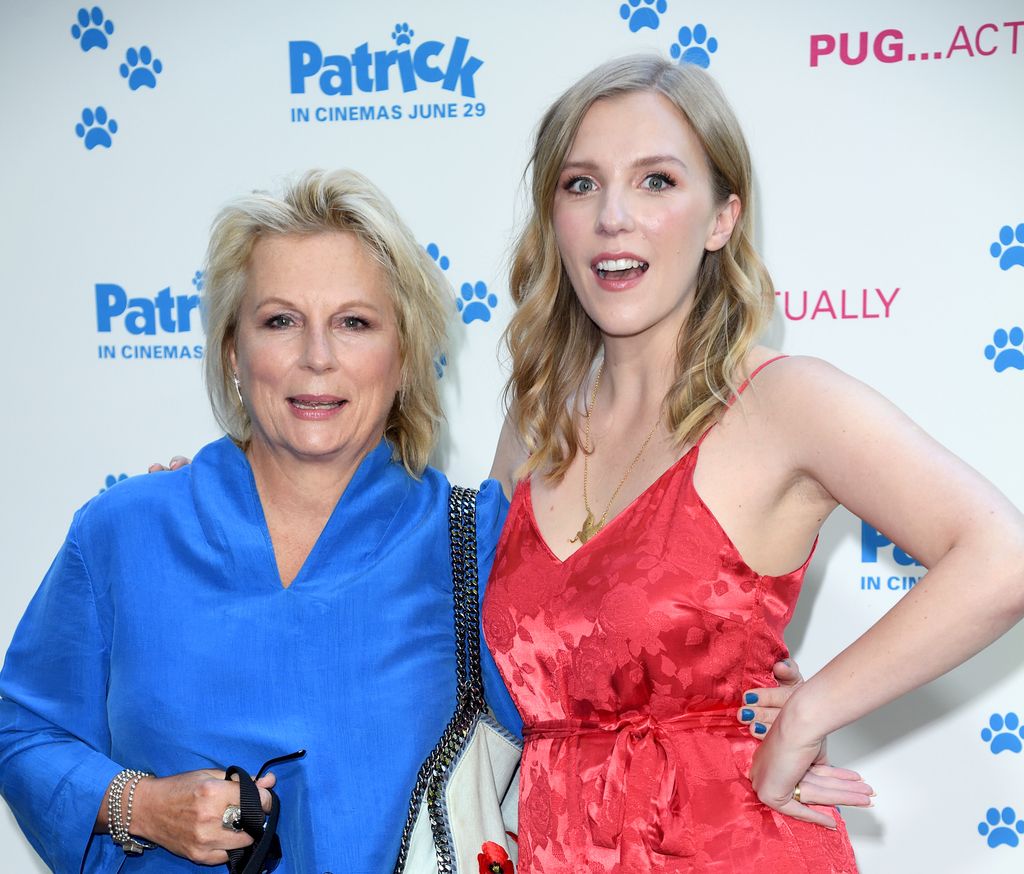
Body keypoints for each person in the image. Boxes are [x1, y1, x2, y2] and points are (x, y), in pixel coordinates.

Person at [0, 168, 839, 872]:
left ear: (405, 358)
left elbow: (608, 711)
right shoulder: (122, 531)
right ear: (232, 350)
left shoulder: (479, 544)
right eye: (280, 320)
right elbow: (21, 726)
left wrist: (755, 721)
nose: (317, 358)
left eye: (356, 324)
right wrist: (136, 803)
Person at [482, 55, 1024, 872]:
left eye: (657, 181)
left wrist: (810, 709)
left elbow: (1001, 557)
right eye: (580, 183)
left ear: (721, 218)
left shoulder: (781, 403)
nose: (613, 216)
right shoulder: (535, 423)